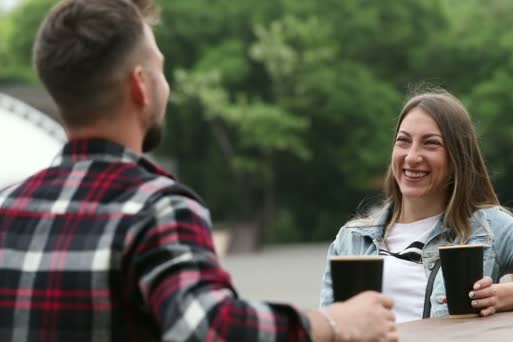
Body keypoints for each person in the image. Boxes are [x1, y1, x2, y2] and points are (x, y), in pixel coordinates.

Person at [0, 1, 398, 341]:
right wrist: (334, 321)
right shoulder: (157, 208)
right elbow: (211, 328)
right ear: (141, 85)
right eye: (159, 67)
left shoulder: (7, 207)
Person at [320, 88, 513, 323]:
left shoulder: (487, 229)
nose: (412, 157)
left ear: (457, 159)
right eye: (403, 142)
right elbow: (329, 326)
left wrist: (509, 295)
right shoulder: (352, 239)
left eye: (430, 144)